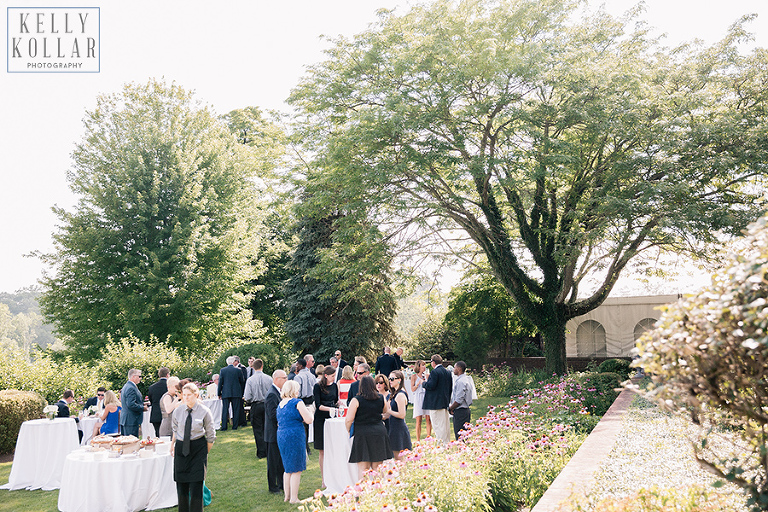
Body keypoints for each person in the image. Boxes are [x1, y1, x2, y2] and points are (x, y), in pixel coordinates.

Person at [171, 382, 215, 512]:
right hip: (181, 449)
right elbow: (175, 429)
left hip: (198, 449)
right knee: (181, 485)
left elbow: (211, 436)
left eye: (189, 395)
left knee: (196, 485)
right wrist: (173, 445)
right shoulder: (178, 411)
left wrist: (204, 453)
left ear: (196, 395)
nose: (186, 398)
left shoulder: (204, 411)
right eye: (184, 395)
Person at [346, 376, 392, 480]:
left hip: (362, 433)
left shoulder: (356, 400)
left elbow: (349, 419)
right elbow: (385, 411)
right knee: (377, 468)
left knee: (363, 468)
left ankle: (363, 489)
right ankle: (379, 488)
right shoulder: (381, 398)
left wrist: (349, 429)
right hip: (378, 432)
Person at [276, 380, 313, 504]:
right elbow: (309, 420)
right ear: (294, 390)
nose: (298, 392)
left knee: (287, 468)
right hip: (294, 435)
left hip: (281, 435)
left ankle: (287, 496)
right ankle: (294, 498)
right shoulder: (297, 402)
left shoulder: (281, 404)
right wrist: (311, 411)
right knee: (297, 468)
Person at [313, 366, 339, 487]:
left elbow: (336, 400)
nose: (334, 378)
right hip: (321, 419)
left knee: (333, 448)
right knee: (322, 450)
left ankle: (334, 475)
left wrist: (339, 405)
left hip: (332, 418)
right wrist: (330, 409)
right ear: (326, 375)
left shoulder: (335, 386)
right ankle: (324, 479)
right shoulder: (317, 386)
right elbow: (318, 405)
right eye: (332, 376)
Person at [243, 358, 272, 458]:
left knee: (257, 429)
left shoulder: (250, 380)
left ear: (253, 367)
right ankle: (268, 450)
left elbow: (247, 396)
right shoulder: (269, 378)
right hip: (267, 404)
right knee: (267, 428)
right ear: (262, 366)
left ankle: (261, 451)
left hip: (255, 405)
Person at [264, 370, 287, 494]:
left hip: (277, 432)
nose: (286, 380)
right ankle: (273, 486)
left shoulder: (278, 392)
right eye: (284, 378)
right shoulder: (272, 394)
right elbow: (272, 414)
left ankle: (282, 484)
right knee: (273, 462)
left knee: (280, 461)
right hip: (273, 433)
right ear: (277, 379)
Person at [422, 354, 453, 443]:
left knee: (438, 425)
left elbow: (430, 386)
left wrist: (423, 383)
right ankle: (446, 443)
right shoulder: (447, 372)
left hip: (435, 403)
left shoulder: (434, 372)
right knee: (445, 425)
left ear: (433, 362)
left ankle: (441, 444)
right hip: (444, 402)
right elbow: (450, 387)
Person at [386, 370, 412, 460]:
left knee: (399, 458)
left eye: (392, 379)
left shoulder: (400, 395)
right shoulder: (395, 393)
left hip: (398, 429)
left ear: (399, 380)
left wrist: (388, 411)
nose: (390, 381)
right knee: (396, 457)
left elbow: (402, 414)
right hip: (393, 427)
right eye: (389, 379)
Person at [218, 356, 245, 431]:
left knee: (225, 410)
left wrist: (219, 393)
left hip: (226, 392)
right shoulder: (238, 370)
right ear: (233, 362)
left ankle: (224, 427)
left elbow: (220, 382)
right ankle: (235, 426)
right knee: (235, 410)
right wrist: (241, 392)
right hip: (236, 392)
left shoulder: (223, 370)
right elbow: (242, 381)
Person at [295, 357, 315, 453]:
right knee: (307, 424)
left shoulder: (298, 377)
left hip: (302, 401)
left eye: (297, 365)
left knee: (302, 424)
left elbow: (297, 391)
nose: (296, 366)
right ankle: (306, 445)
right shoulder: (312, 376)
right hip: (310, 401)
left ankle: (305, 446)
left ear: (300, 366)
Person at [119, 369, 146, 438]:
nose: (140, 378)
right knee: (131, 442)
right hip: (131, 421)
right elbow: (131, 404)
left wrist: (143, 403)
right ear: (133, 376)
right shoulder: (131, 388)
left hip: (128, 420)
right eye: (139, 376)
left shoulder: (127, 386)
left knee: (127, 441)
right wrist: (143, 408)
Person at [449, 361, 473, 440]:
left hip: (461, 411)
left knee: (460, 436)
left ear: (459, 369)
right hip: (464, 411)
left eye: (455, 367)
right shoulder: (465, 379)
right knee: (464, 436)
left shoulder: (461, 382)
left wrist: (450, 408)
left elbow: (459, 400)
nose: (453, 369)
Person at [410, 360, 432, 441]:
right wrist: (418, 384)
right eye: (422, 365)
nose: (424, 367)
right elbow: (412, 389)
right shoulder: (414, 376)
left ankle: (429, 437)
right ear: (418, 366)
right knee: (419, 419)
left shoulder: (427, 375)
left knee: (428, 419)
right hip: (418, 397)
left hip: (426, 397)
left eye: (424, 365)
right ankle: (418, 440)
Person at [148, 367, 169, 437]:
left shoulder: (152, 387)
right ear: (167, 375)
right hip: (166, 414)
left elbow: (151, 400)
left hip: (156, 414)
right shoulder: (169, 387)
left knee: (158, 434)